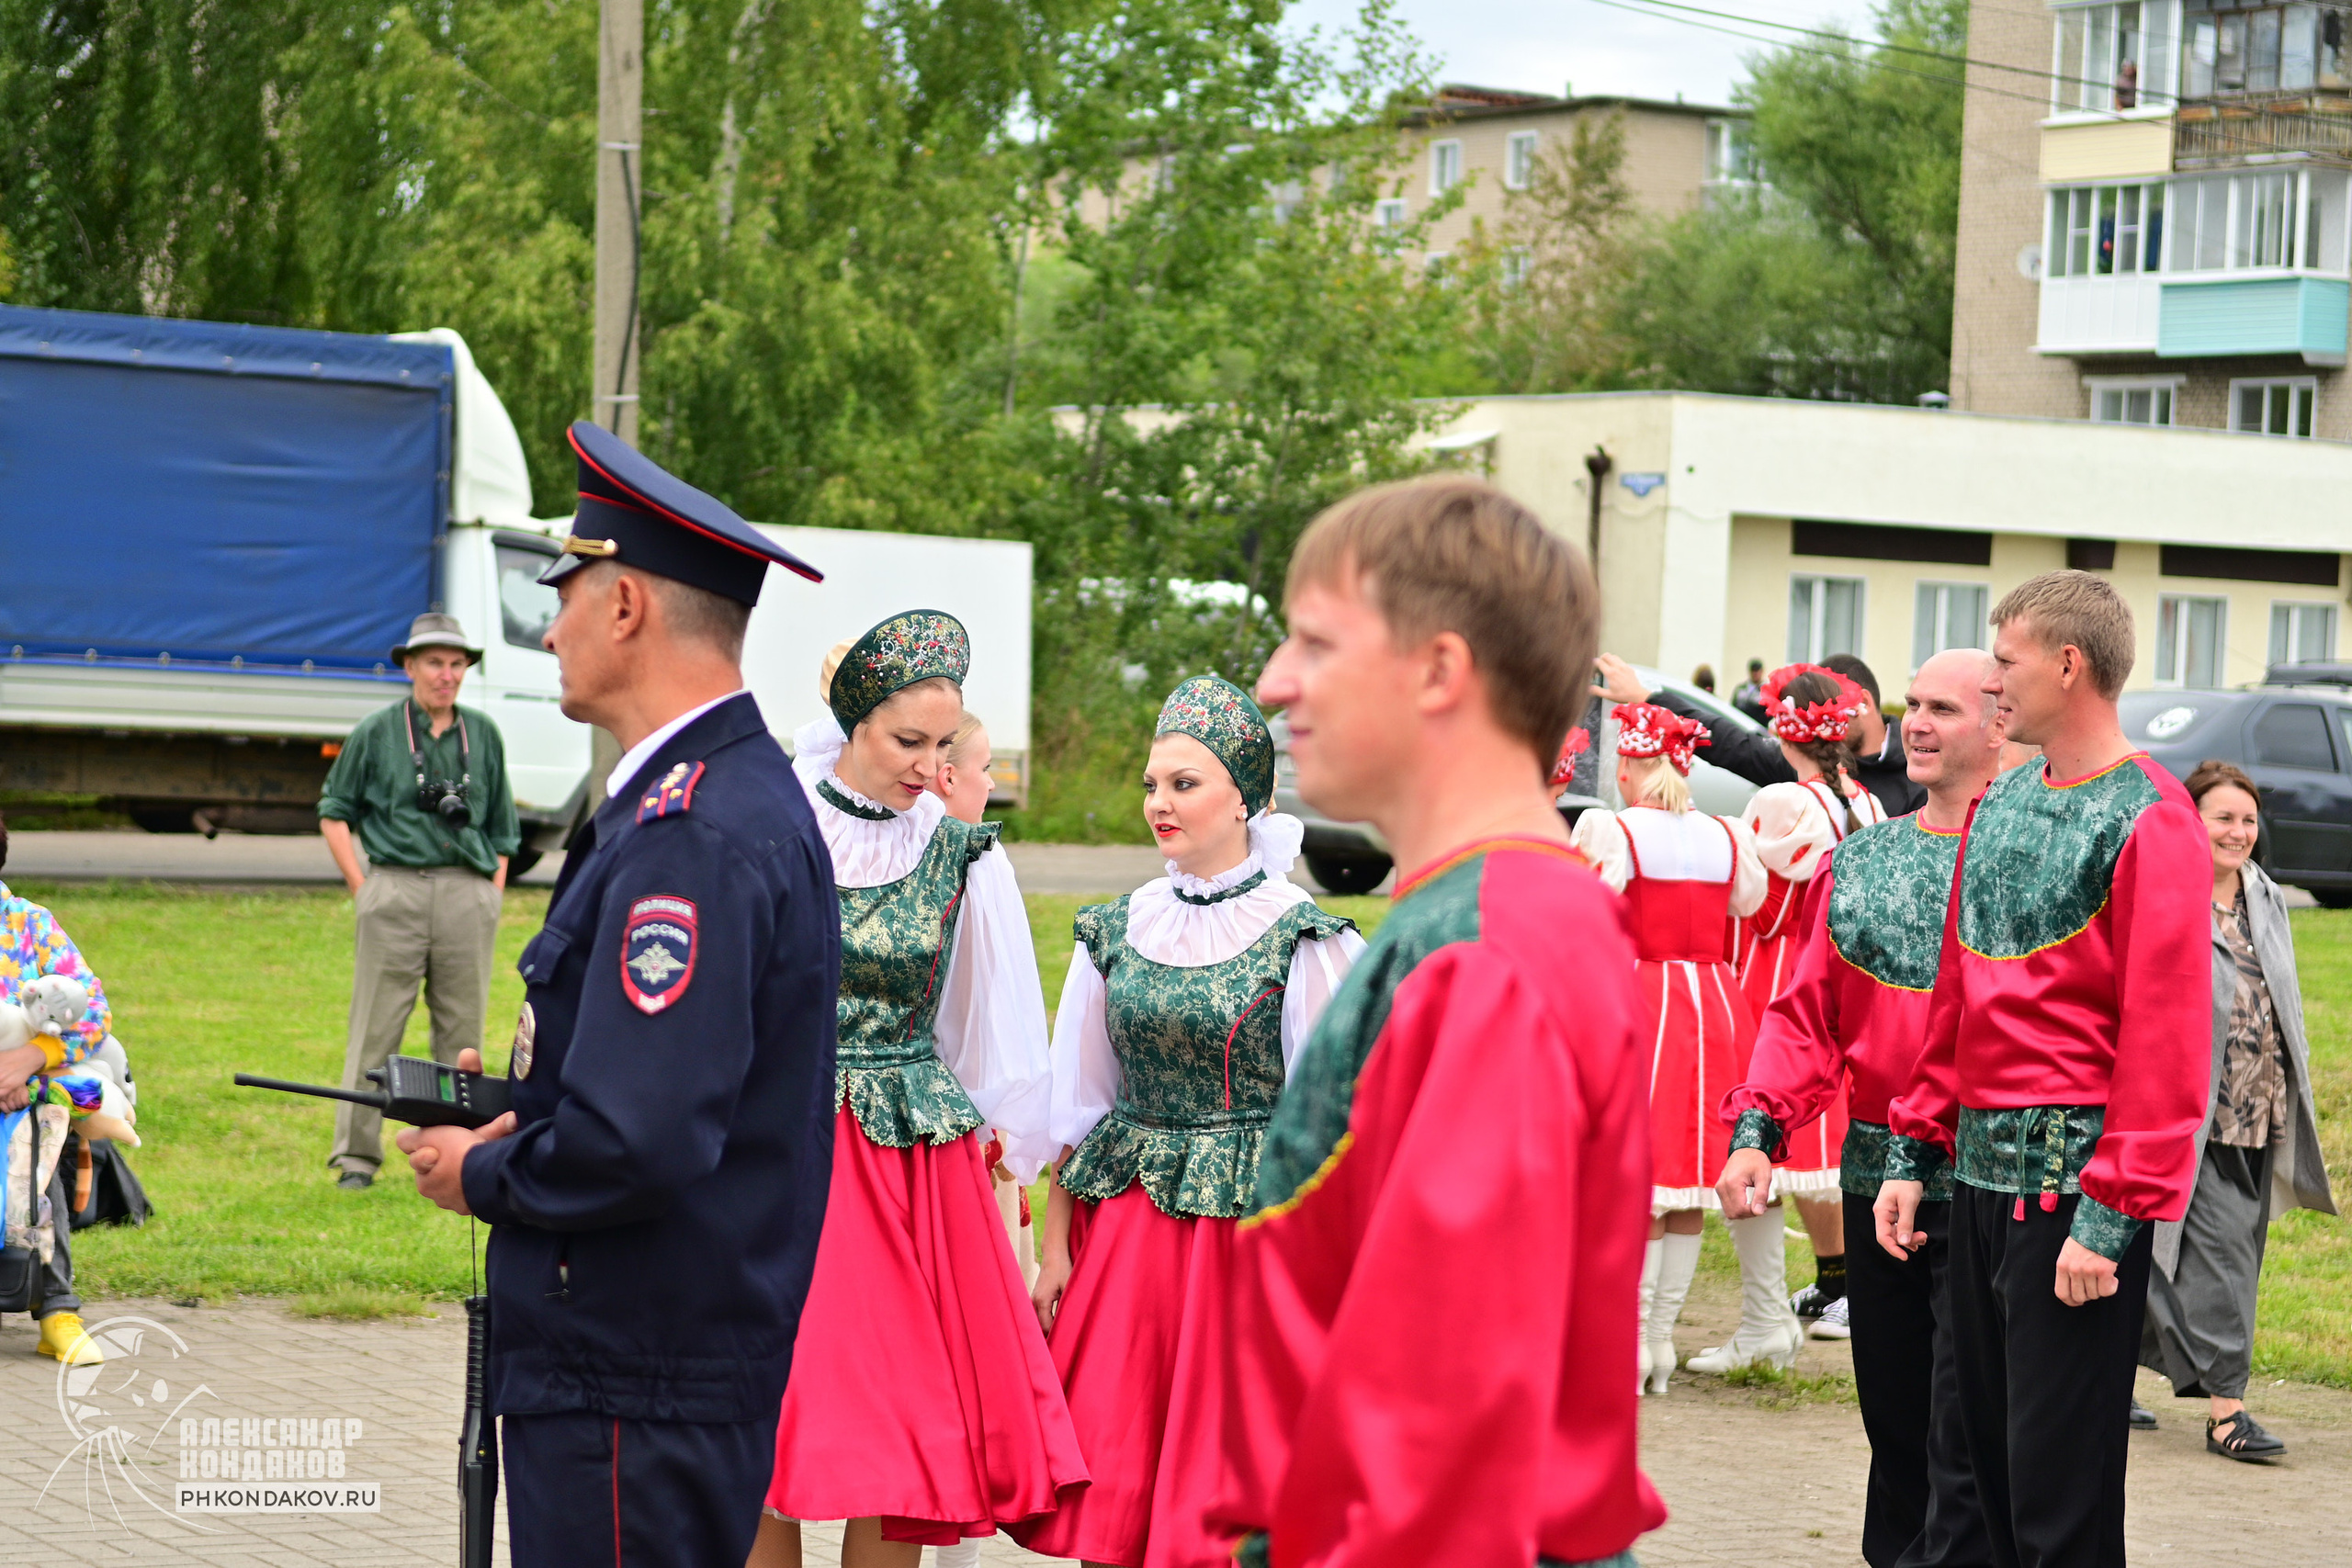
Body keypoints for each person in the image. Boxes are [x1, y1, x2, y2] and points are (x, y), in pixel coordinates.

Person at [396, 421, 839, 1567]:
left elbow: (640, 1134)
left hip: (631, 1370)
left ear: (628, 607)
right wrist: (518, 1108)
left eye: (569, 593)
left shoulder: (694, 830)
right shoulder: (696, 799)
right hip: (642, 1360)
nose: (550, 627)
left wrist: (479, 1170)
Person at [1203, 476, 1665, 1565]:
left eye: (1315, 642)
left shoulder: (1487, 953)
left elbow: (1442, 1430)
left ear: (1438, 670)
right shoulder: (1491, 917)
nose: (1276, 682)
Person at [1877, 570, 2210, 1568]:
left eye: (2006, 665)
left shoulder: (2151, 817)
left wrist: (2108, 1220)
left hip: (2069, 1197)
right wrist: (1912, 1146)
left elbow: (2164, 1042)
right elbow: (1955, 990)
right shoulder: (2004, 796)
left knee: (2054, 1497)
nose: (1992, 689)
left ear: (2068, 665)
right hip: (1971, 1181)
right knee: (1966, 1477)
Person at [755, 612, 1083, 1567]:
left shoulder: (961, 856)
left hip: (909, 1168)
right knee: (766, 1419)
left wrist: (1014, 1163)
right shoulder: (778, 830)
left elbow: (994, 1026)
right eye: (908, 742)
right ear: (852, 724)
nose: (929, 767)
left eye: (944, 745)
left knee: (904, 1439)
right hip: (786, 1152)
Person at [1016, 676, 1364, 1568]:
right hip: (1127, 1242)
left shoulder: (1304, 937)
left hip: (1243, 1247)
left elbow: (1334, 1127)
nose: (1157, 804)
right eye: (1150, 784)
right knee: (1117, 1486)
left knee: (1221, 1498)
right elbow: (1078, 1108)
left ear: (1247, 795)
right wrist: (1056, 1250)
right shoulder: (1117, 927)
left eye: (1183, 783)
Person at [1715, 649, 2003, 1568]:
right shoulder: (1864, 860)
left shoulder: (2031, 860)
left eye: (1940, 708)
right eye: (1907, 705)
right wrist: (1759, 1130)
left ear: (2002, 721)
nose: (1912, 723)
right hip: (1877, 1175)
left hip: (1993, 1176)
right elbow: (1806, 1014)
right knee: (1896, 1422)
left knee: (1979, 1432)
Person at [2139, 760, 2337, 1461]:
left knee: (2217, 1255)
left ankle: (2108, 1370)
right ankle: (2227, 1411)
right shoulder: (2168, 896)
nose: (2239, 831)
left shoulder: (2264, 895)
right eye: (2223, 816)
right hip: (2194, 1115)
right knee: (2219, 1258)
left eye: (2248, 819)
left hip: (2262, 1109)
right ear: (2190, 820)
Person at [1569, 704, 1766, 1395]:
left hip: (1643, 1000)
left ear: (1629, 767)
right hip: (1715, 1005)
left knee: (1640, 1180)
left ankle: (1631, 1342)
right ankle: (1657, 1342)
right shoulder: (1726, 834)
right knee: (1685, 1181)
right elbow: (1749, 906)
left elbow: (1587, 910)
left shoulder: (1614, 830)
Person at [1705, 663, 1890, 1365]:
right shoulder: (1865, 801)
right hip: (1846, 971)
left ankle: (1776, 1311)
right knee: (1824, 1131)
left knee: (1763, 1129)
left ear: (1785, 728)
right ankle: (1831, 1285)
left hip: (1779, 965)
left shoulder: (1786, 800)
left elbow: (1761, 903)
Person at [318, 611, 521, 1190]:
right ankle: (356, 1159)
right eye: (435, 662)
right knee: (375, 1028)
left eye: (457, 664)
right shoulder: (377, 731)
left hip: (466, 891)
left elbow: (504, 829)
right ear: (409, 666)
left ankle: (459, 1153)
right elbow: (334, 811)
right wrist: (364, 888)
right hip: (395, 888)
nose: (446, 675)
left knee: (462, 1037)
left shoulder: (482, 734)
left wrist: (491, 894)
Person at [926, 710, 1038, 1300]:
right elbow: (989, 1009)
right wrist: (1002, 1125)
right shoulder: (974, 863)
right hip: (959, 1111)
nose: (991, 783)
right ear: (946, 776)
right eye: (985, 768)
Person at [0, 812, 115, 1367]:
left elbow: (94, 1010)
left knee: (37, 1154)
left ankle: (57, 1311)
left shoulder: (28, 925)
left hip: (29, 1094)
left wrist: (32, 1058)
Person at [1597, 651, 1926, 818]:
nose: (1816, 721)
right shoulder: (1806, 763)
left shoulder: (1919, 774)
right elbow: (1732, 743)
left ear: (1863, 703)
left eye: (1827, 709)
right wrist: (1649, 699)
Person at [1732, 659, 1769, 725]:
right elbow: (1733, 706)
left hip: (1759, 726)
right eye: (1753, 671)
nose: (1755, 674)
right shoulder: (1741, 689)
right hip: (1741, 724)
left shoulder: (1766, 691)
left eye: (1757, 671)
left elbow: (1769, 712)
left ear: (1762, 671)